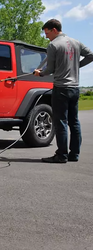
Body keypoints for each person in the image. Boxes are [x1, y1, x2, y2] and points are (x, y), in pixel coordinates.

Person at [34, 19, 93, 163]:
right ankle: (74, 155)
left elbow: (50, 69)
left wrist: (39, 73)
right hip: (74, 88)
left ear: (54, 30)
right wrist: (76, 65)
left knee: (60, 122)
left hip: (61, 89)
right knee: (74, 122)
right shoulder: (76, 42)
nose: (46, 36)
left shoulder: (53, 45)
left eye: (47, 33)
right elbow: (91, 55)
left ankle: (61, 155)